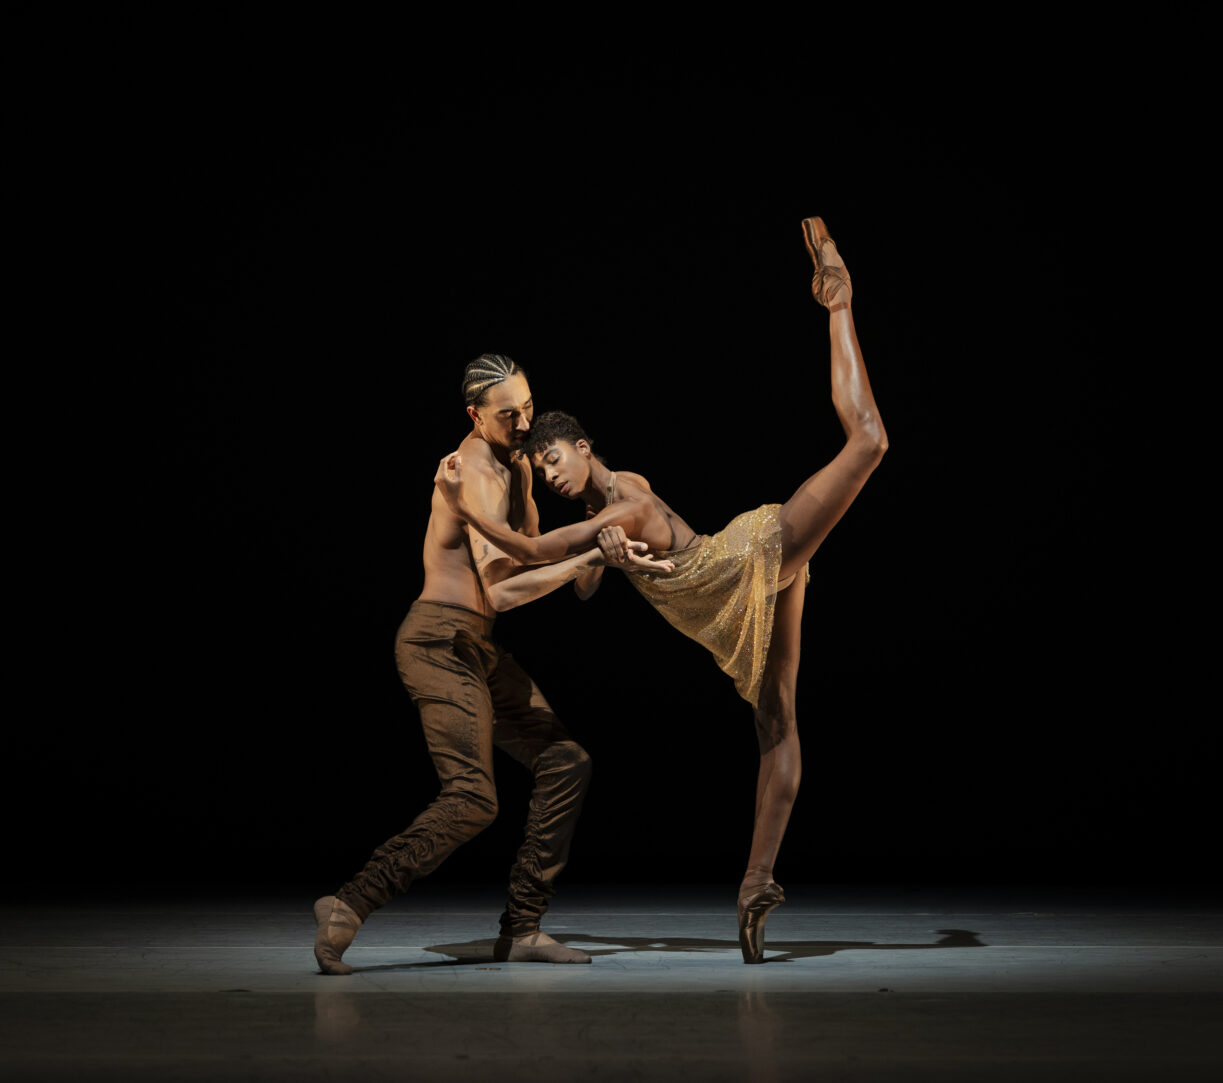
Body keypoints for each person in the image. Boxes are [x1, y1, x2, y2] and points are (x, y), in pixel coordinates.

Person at [436, 217, 888, 963]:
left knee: (868, 441)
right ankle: (756, 883)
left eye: (553, 459)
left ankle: (838, 302)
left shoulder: (624, 504)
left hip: (748, 556)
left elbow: (537, 550)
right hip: (734, 603)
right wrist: (603, 558)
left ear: (584, 447)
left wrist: (466, 507)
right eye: (539, 466)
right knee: (776, 724)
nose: (546, 474)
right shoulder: (610, 507)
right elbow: (582, 581)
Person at [313, 353, 672, 975]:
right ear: (476, 416)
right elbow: (505, 590)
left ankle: (523, 929)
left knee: (566, 761)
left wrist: (600, 541)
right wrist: (589, 560)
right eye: (510, 414)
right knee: (474, 798)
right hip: (437, 643)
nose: (524, 421)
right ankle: (348, 904)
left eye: (530, 406)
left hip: (477, 646)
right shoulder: (475, 470)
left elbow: (539, 566)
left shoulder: (518, 466)